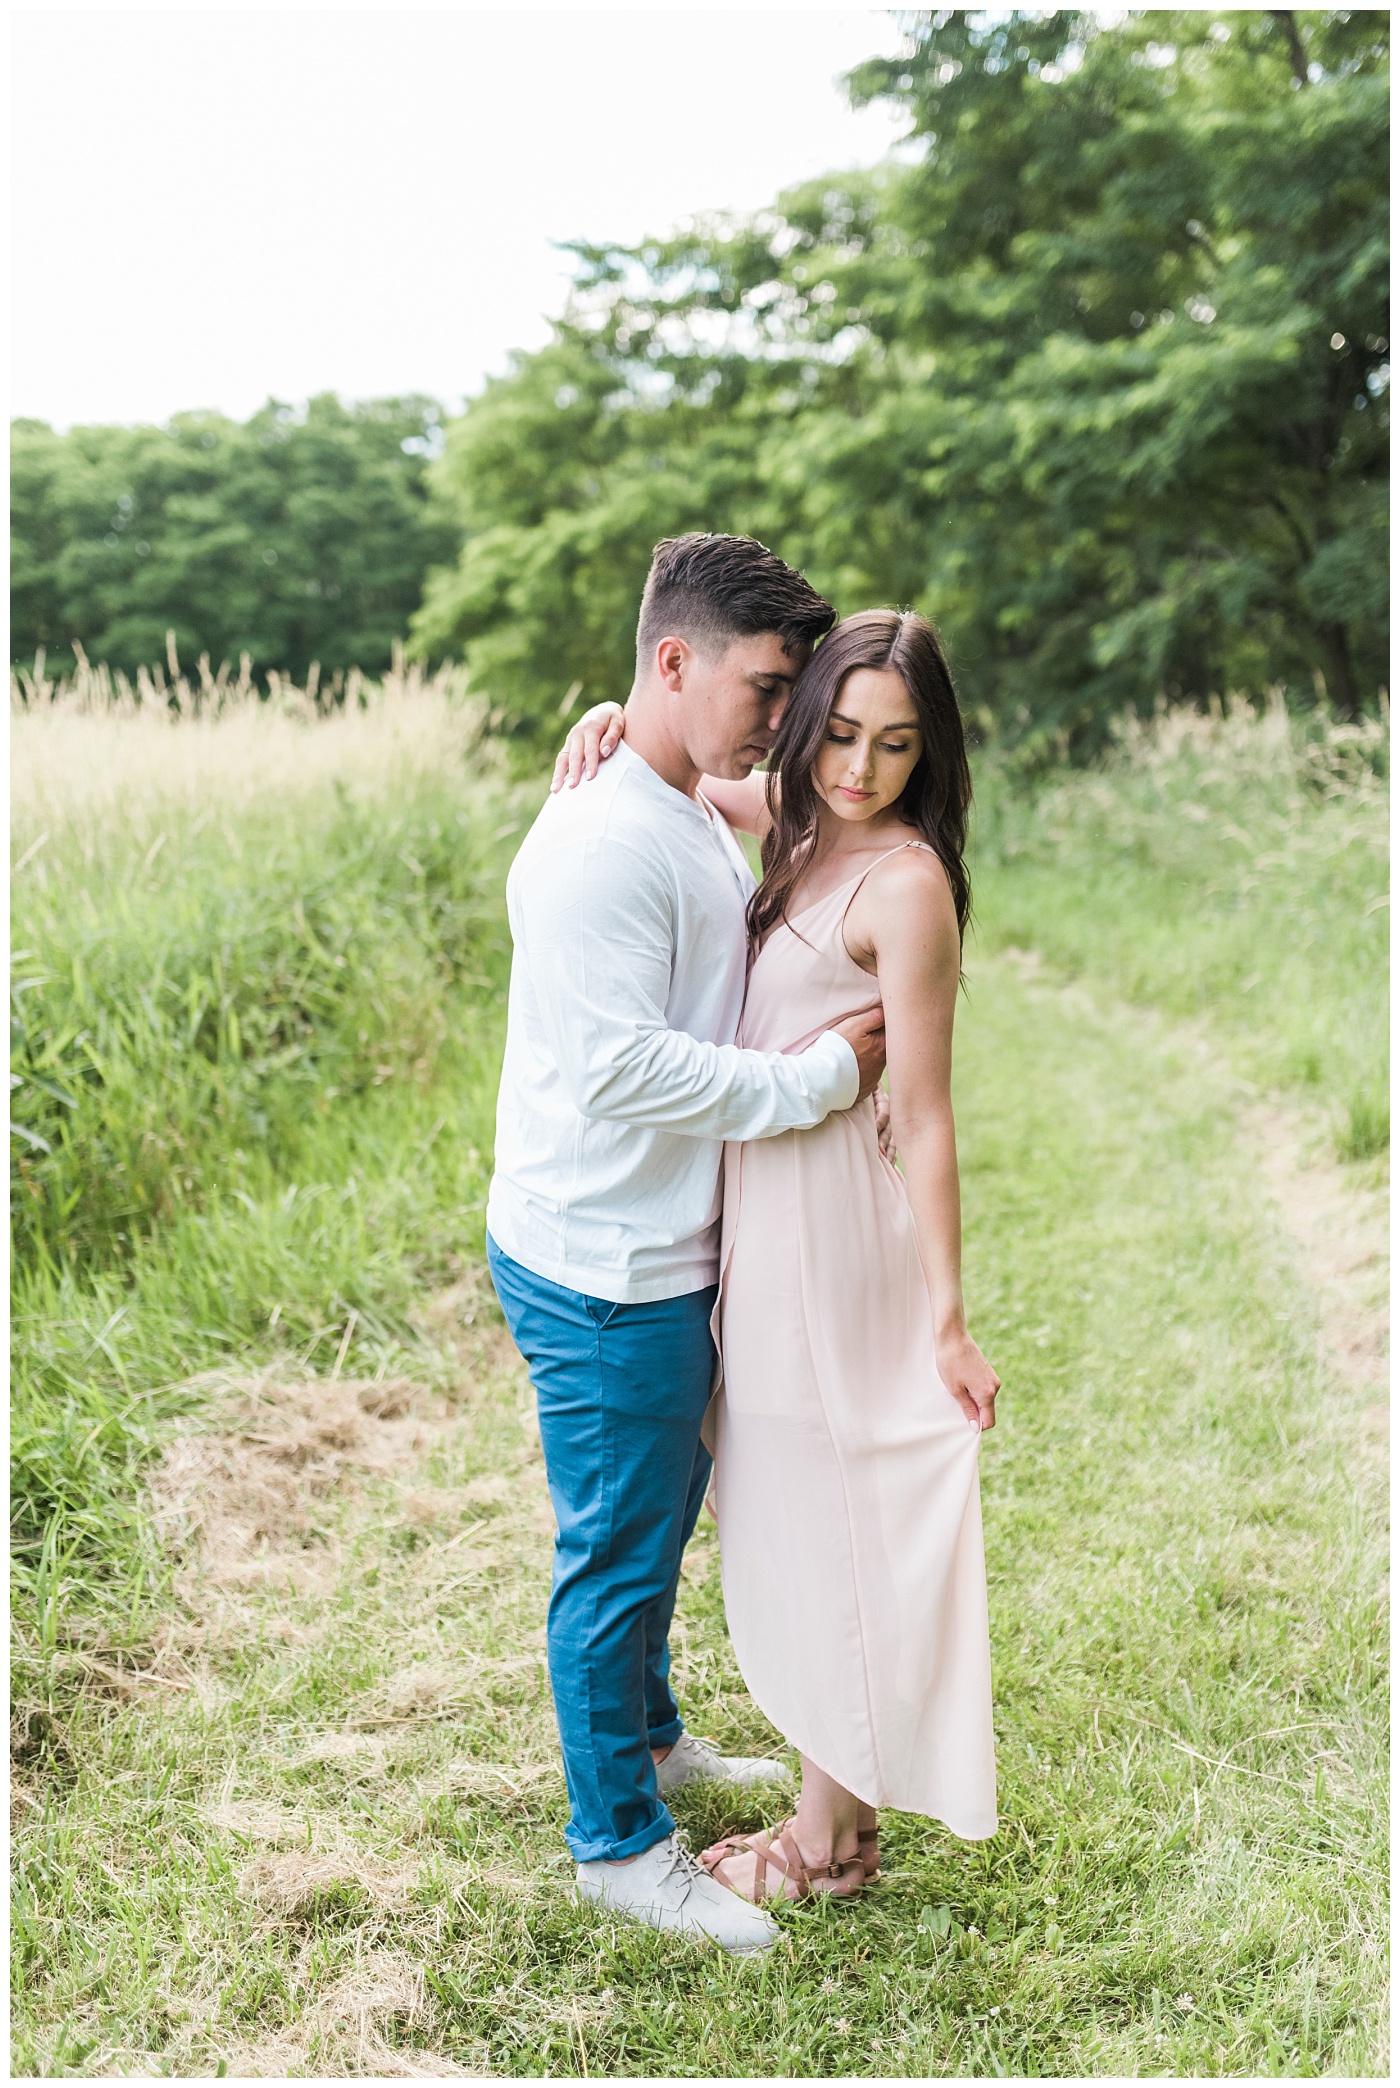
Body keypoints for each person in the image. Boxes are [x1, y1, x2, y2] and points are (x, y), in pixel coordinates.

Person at [556, 607, 1000, 1906]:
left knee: (839, 1520)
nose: (862, 768)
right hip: (762, 1229)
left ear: (931, 755)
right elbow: (683, 766)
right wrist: (603, 720)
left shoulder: (903, 883)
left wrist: (950, 1316)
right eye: (842, 734)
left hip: (834, 1247)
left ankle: (826, 1846)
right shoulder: (799, 824)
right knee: (799, 1518)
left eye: (898, 747)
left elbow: (922, 1111)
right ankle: (834, 1826)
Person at [486, 534, 888, 1955]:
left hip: (650, 1247)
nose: (781, 720)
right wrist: (812, 1086)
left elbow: (778, 798)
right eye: (768, 687)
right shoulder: (609, 838)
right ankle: (619, 1849)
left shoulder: (660, 786)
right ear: (674, 662)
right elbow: (618, 1069)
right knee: (614, 1559)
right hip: (604, 1270)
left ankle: (652, 1746)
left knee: (649, 1534)